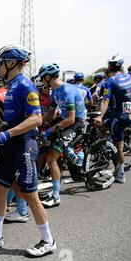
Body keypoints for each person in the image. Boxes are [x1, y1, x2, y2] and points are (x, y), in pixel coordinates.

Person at [0, 45, 57, 257]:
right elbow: (13, 118)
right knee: (0, 187)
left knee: (29, 194)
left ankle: (48, 240)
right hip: (11, 144)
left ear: (11, 63)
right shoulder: (11, 85)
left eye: (1, 62)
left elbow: (36, 118)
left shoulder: (24, 85)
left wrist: (7, 134)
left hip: (24, 145)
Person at [39, 64, 87, 207]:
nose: (41, 81)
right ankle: (55, 187)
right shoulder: (55, 92)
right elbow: (50, 114)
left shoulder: (66, 90)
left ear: (48, 77)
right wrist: (35, 121)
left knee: (51, 157)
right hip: (64, 120)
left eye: (42, 78)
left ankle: (56, 197)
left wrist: (51, 130)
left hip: (75, 122)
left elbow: (71, 119)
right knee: (45, 147)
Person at [94, 54, 131, 184]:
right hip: (130, 111)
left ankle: (120, 175)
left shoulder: (109, 81)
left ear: (109, 67)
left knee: (117, 145)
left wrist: (100, 116)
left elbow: (105, 100)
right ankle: (108, 146)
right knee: (111, 129)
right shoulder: (128, 76)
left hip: (120, 115)